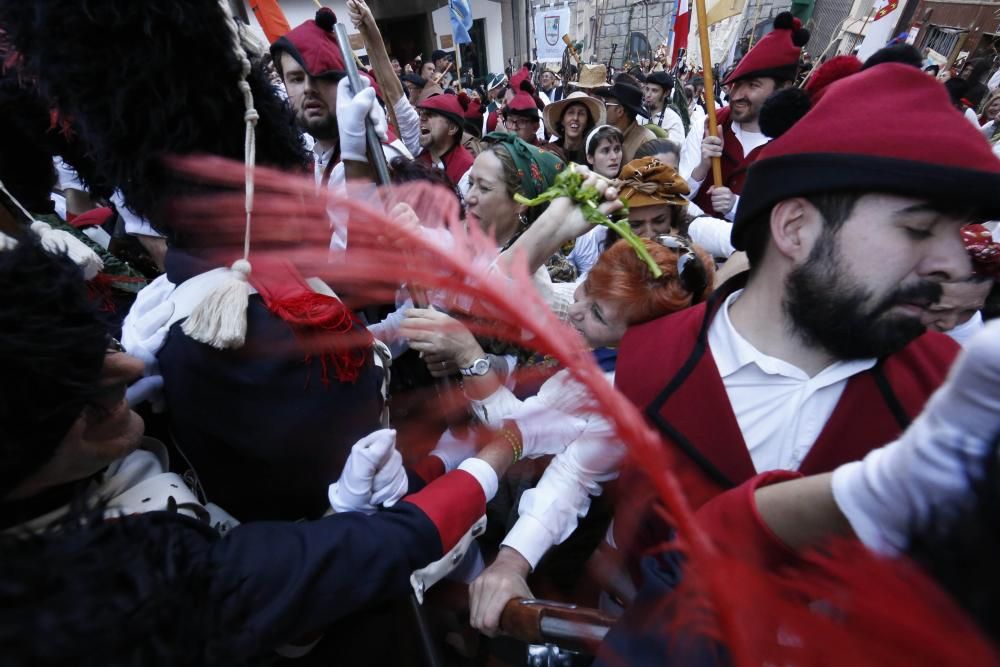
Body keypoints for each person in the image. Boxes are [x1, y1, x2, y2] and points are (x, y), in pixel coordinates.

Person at [0, 235, 562, 665]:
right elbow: (386, 544)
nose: (126, 368)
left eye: (101, 347)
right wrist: (503, 448)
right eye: (84, 389)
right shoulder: (114, 586)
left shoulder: (124, 416)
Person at [612, 61, 1000, 583]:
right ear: (795, 228)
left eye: (958, 231)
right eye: (918, 228)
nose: (954, 263)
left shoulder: (958, 402)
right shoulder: (649, 364)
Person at [460, 238, 714, 636]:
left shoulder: (623, 392)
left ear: (639, 342)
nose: (575, 309)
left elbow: (572, 472)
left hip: (580, 535)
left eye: (596, 311)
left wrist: (512, 562)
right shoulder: (598, 334)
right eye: (589, 284)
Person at [683, 12, 809, 219]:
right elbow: (677, 197)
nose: (737, 95)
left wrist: (736, 206)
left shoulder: (794, 143)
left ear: (783, 88)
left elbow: (786, 218)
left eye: (752, 85)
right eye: (737, 83)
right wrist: (702, 168)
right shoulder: (707, 124)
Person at [569, 157, 691, 277]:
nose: (648, 235)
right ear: (618, 230)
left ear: (673, 219)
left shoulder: (692, 263)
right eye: (636, 225)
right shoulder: (601, 278)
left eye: (659, 221)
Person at [416, 94, 475, 189]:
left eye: (430, 114)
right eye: (421, 113)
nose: (422, 118)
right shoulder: (420, 159)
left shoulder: (466, 170)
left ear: (452, 128)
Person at [594, 80, 657, 162]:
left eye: (606, 105)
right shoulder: (601, 132)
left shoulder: (646, 141)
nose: (603, 109)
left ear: (619, 111)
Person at [541, 91, 606, 165]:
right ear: (562, 120)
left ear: (587, 122)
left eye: (581, 114)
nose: (575, 118)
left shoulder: (593, 155)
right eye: (571, 112)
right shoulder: (549, 152)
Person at [643, 71, 685, 142]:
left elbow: (677, 149)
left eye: (654, 91)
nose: (648, 95)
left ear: (666, 93)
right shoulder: (638, 115)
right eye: (647, 89)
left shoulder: (673, 120)